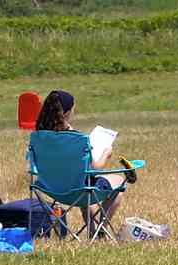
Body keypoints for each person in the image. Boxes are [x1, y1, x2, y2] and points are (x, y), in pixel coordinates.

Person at [34, 90, 128, 223]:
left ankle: (93, 229)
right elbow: (95, 168)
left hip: (50, 187)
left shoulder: (38, 136)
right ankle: (102, 228)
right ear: (67, 113)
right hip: (77, 190)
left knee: (84, 181)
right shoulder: (77, 139)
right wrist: (106, 154)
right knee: (118, 181)